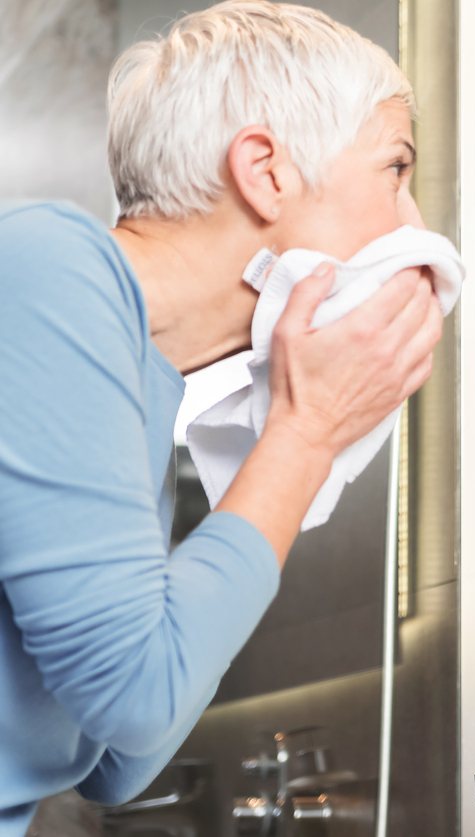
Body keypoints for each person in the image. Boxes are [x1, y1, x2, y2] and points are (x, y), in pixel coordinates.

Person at [0, 2, 443, 829]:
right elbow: (138, 700)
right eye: (395, 169)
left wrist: (284, 444)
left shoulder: (144, 392)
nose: (413, 225)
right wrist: (303, 437)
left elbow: (119, 761)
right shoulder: (48, 269)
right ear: (266, 170)